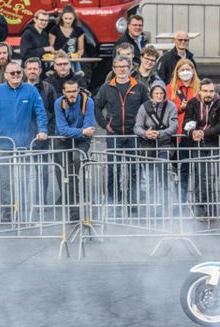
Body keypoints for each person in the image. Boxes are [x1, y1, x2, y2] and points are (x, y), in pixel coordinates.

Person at [0, 62, 48, 222]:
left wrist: (43, 130)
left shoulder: (30, 90)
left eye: (18, 72)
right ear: (5, 75)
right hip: (2, 144)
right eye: (12, 73)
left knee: (23, 179)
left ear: (22, 73)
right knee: (5, 182)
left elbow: (40, 111)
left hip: (24, 144)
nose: (16, 75)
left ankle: (23, 211)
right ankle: (7, 213)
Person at [94, 55, 149, 204]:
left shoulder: (139, 87)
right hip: (114, 134)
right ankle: (114, 204)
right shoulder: (107, 87)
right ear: (113, 69)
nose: (121, 70)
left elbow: (148, 108)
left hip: (134, 135)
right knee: (113, 170)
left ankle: (133, 203)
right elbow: (97, 106)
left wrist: (141, 126)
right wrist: (105, 124)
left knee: (134, 170)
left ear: (130, 68)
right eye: (118, 67)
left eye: (124, 66)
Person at [183, 79, 220, 216]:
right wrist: (192, 132)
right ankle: (203, 207)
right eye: (205, 91)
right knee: (200, 176)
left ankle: (207, 206)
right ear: (200, 91)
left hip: (214, 142)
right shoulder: (192, 103)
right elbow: (187, 122)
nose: (208, 94)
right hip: (197, 143)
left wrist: (204, 133)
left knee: (210, 177)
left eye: (211, 91)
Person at [53, 80, 96, 221]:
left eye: (74, 91)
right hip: (63, 141)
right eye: (69, 92)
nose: (72, 94)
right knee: (67, 175)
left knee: (78, 165)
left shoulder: (87, 101)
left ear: (79, 91)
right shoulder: (59, 103)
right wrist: (82, 131)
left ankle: (85, 203)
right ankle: (74, 211)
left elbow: (89, 126)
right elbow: (62, 130)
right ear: (64, 92)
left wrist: (79, 132)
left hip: (81, 142)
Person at [134, 80, 178, 208]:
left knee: (163, 170)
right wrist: (145, 134)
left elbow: (174, 126)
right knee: (149, 177)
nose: (159, 96)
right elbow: (137, 127)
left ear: (165, 93)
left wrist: (160, 133)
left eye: (161, 93)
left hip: (165, 144)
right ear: (151, 94)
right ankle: (150, 203)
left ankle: (164, 203)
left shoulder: (171, 106)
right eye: (156, 93)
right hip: (148, 145)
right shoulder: (144, 107)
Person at [167, 58, 200, 141]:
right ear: (177, 72)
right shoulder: (170, 88)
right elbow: (166, 108)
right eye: (182, 70)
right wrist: (180, 107)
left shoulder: (200, 87)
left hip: (196, 128)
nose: (185, 72)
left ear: (193, 71)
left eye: (188, 69)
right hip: (176, 129)